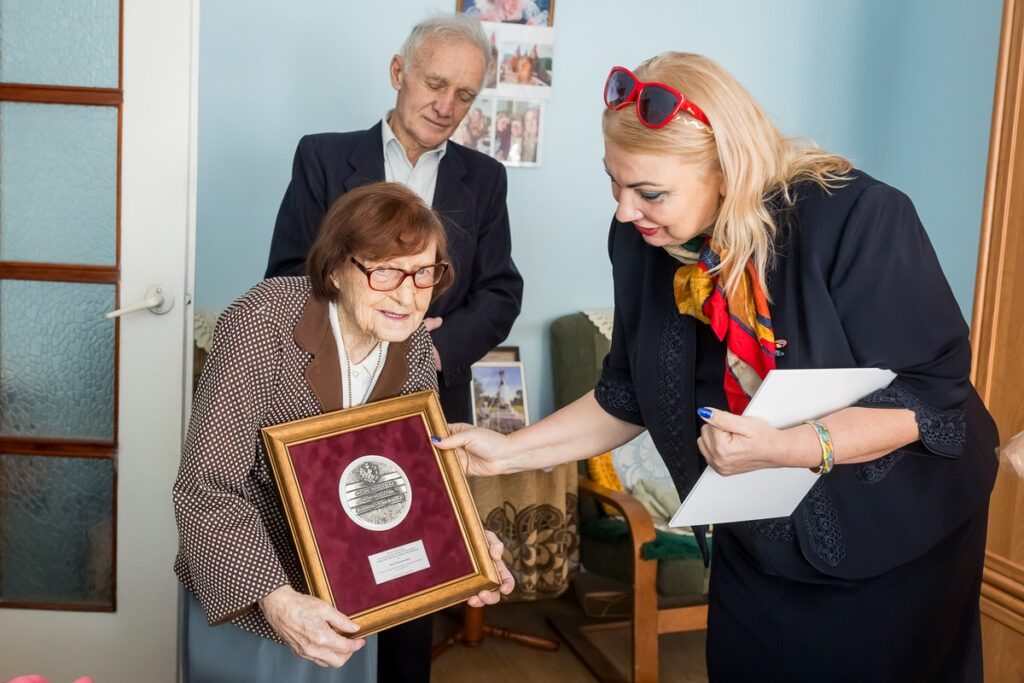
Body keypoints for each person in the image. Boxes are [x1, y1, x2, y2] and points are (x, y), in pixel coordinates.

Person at [438, 52, 999, 681]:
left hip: (894, 528)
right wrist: (508, 451)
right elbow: (624, 396)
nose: (625, 210)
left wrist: (792, 447)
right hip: (756, 530)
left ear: (729, 170)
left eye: (648, 192)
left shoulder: (856, 217)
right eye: (613, 183)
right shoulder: (640, 241)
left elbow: (930, 396)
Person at [264, 16, 523, 681]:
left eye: (466, 94)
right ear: (398, 72)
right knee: (329, 561)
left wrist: (433, 349)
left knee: (415, 567)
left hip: (426, 402)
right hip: (328, 399)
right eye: (436, 84)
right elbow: (287, 274)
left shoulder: (485, 179)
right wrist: (364, 327)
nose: (447, 105)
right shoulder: (323, 157)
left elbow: (499, 291)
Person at [175, 183, 514, 683]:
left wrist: (461, 545)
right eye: (384, 272)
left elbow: (414, 477)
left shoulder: (412, 341)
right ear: (335, 268)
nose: (408, 294)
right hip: (258, 585)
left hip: (356, 587)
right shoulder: (261, 322)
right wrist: (279, 601)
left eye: (424, 272)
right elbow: (205, 487)